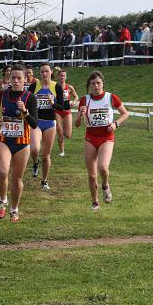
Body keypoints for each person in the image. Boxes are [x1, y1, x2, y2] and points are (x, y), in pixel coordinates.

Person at [0, 64, 38, 221]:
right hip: (3, 139)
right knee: (3, 172)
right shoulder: (2, 94)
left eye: (19, 78)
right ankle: (3, 201)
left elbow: (34, 123)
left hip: (22, 142)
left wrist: (25, 111)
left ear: (25, 79)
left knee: (17, 179)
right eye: (13, 78)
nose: (16, 81)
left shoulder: (30, 97)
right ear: (9, 79)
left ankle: (14, 208)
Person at [75, 71, 129, 211]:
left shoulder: (110, 98)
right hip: (90, 137)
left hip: (106, 137)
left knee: (103, 167)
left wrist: (115, 124)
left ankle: (105, 185)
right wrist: (80, 115)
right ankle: (95, 203)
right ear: (90, 86)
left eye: (98, 83)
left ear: (102, 84)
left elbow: (125, 113)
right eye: (93, 84)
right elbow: (77, 124)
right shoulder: (84, 100)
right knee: (92, 175)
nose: (96, 86)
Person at [28, 62, 63, 191]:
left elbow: (62, 107)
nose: (44, 74)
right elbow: (26, 101)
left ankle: (44, 181)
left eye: (46, 71)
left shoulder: (56, 87)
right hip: (36, 122)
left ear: (51, 72)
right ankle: (35, 163)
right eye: (42, 71)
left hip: (50, 123)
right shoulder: (33, 87)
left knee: (46, 154)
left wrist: (53, 103)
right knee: (34, 149)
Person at [54, 69, 78, 157]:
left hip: (67, 110)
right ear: (58, 77)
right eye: (61, 75)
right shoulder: (54, 86)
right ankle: (62, 151)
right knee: (60, 132)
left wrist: (74, 102)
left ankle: (62, 130)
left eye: (64, 76)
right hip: (58, 111)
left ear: (66, 77)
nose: (62, 77)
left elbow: (76, 96)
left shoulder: (69, 87)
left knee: (68, 135)